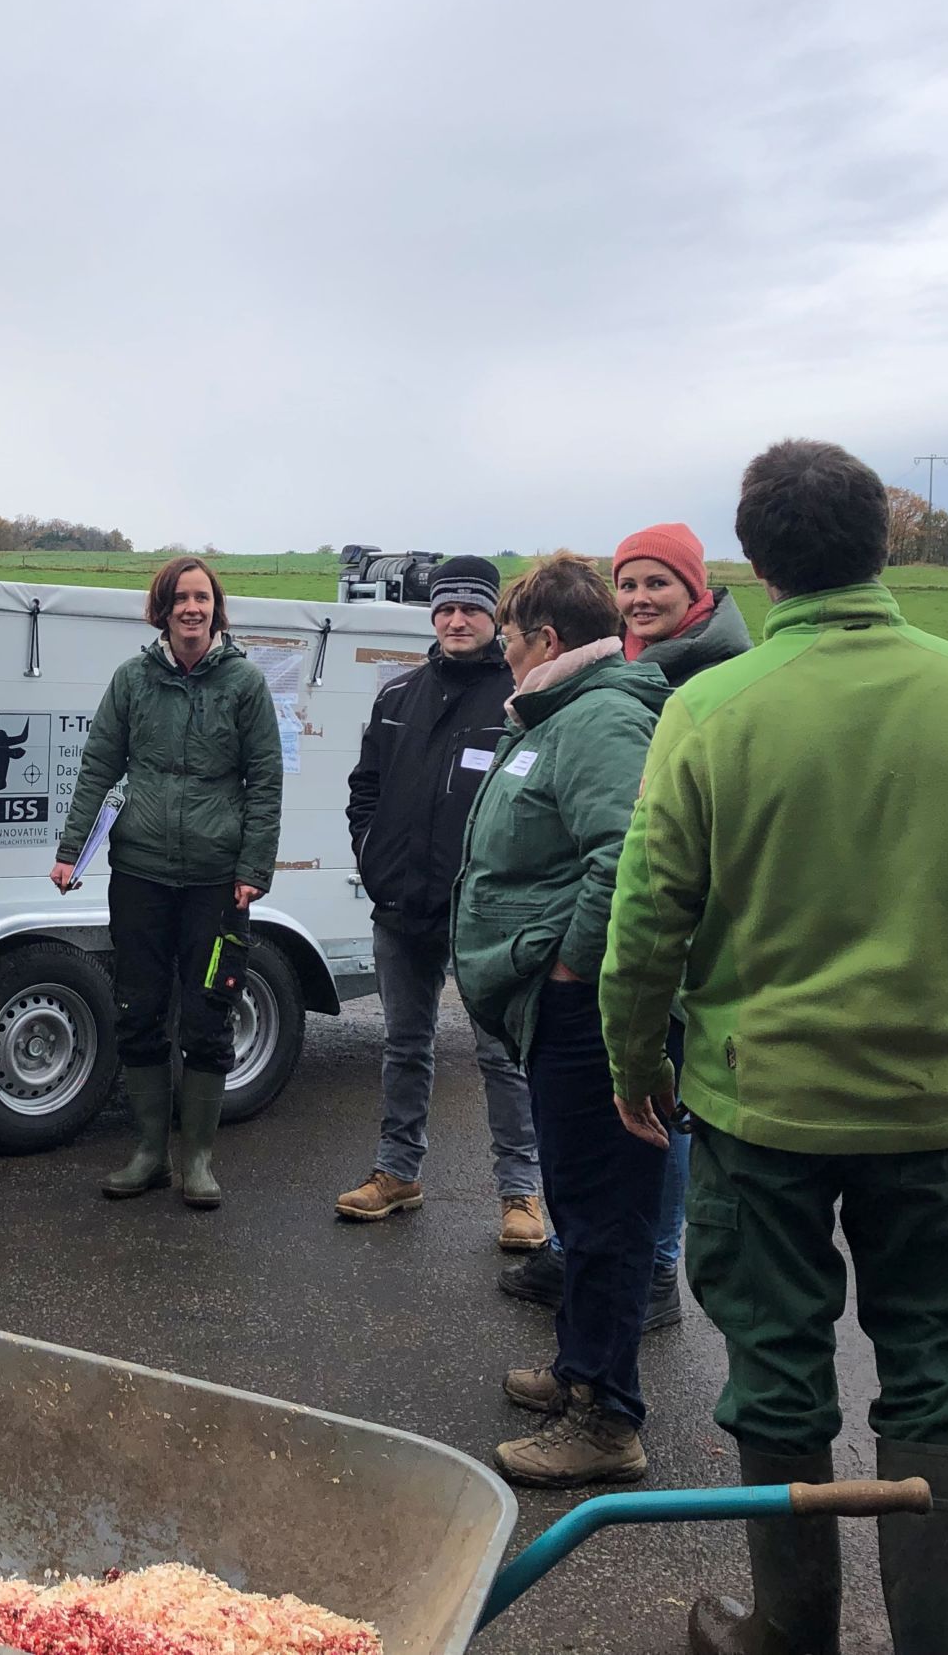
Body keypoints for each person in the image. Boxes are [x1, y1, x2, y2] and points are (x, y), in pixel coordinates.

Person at [600, 443, 948, 1655]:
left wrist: (634, 1059)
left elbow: (648, 918)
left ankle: (787, 1631)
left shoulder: (710, 708)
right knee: (939, 1375)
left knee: (777, 1370)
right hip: (934, 1109)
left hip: (760, 1113)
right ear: (884, 546)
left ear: (754, 562)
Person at [451, 555, 669, 1488]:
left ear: (544, 640)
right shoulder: (563, 714)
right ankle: (578, 1367)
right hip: (553, 1010)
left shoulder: (603, 717)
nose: (500, 654)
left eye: (507, 636)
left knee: (605, 1214)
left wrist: (572, 967)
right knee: (579, 1208)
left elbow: (622, 855)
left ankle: (607, 1421)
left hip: (581, 1009)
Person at [499, 523, 749, 1325]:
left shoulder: (707, 676)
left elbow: (628, 840)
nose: (640, 600)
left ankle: (652, 1269)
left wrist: (574, 961)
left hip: (673, 924)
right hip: (637, 918)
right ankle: (591, 1254)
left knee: (654, 1103)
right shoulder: (643, 665)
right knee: (621, 1104)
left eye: (657, 585)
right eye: (629, 586)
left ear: (694, 591)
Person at [52, 555, 283, 1210]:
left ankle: (198, 1159)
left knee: (209, 1013)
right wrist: (72, 851)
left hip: (217, 883)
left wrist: (252, 868)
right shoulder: (132, 680)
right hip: (141, 874)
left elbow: (266, 780)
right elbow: (98, 763)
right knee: (138, 1009)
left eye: (202, 597)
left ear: (217, 608)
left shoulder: (245, 684)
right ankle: (150, 1152)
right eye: (180, 597)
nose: (192, 608)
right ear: (163, 608)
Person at [334, 555, 546, 1251]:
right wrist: (371, 854)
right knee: (405, 1045)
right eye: (446, 608)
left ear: (495, 618)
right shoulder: (398, 696)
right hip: (400, 905)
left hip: (481, 913)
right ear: (433, 616)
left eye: (472, 609)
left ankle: (521, 1192)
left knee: (500, 1055)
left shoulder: (520, 701)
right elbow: (364, 787)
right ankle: (398, 1172)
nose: (458, 620)